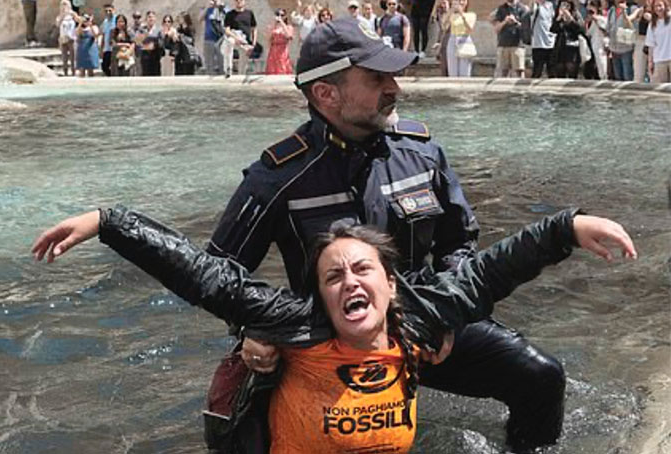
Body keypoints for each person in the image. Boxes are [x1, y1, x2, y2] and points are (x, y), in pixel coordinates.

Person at [206, 17, 567, 453]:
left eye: (393, 75)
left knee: (542, 377)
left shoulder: (421, 153)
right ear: (326, 93)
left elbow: (458, 244)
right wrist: (253, 331)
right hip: (322, 342)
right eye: (377, 78)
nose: (395, 87)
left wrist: (448, 317)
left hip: (424, 325)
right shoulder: (278, 177)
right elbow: (219, 275)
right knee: (248, 431)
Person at [32, 206, 636, 453]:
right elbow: (204, 275)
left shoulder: (419, 317)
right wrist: (107, 223)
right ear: (320, 296)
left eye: (363, 270)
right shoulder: (297, 327)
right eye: (333, 276)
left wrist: (569, 228)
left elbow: (492, 267)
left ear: (391, 285)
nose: (350, 282)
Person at [492, 0, 530, 77]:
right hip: (503, 44)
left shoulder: (523, 9)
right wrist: (505, 21)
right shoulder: (501, 9)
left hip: (518, 45)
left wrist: (515, 22)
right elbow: (496, 29)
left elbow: (527, 28)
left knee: (519, 71)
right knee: (503, 71)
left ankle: (520, 88)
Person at [551, 0, 587, 78]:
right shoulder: (558, 15)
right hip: (561, 46)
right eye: (562, 5)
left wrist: (570, 19)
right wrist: (558, 18)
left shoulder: (576, 14)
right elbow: (553, 29)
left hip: (572, 46)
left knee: (571, 67)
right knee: (560, 68)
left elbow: (581, 29)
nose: (565, 7)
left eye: (567, 5)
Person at [225, 0, 259, 76]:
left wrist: (253, 43)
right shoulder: (230, 14)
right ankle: (229, 68)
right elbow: (227, 31)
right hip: (234, 38)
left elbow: (254, 28)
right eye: (237, 0)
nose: (239, 2)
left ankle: (241, 74)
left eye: (241, 0)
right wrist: (236, 39)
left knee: (244, 61)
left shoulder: (249, 13)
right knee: (229, 42)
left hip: (245, 41)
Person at [443, 0, 477, 76]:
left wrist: (462, 14)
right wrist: (450, 11)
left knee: (464, 71)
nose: (461, 3)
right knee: (452, 70)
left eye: (463, 1)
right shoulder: (452, 16)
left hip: (464, 40)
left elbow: (470, 29)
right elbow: (444, 26)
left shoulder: (471, 15)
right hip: (453, 39)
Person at [607, 0, 638, 80]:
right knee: (618, 77)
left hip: (627, 49)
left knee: (627, 75)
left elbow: (633, 27)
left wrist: (624, 11)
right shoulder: (611, 10)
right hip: (614, 49)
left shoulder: (632, 9)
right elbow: (608, 28)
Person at [530, 0, 558, 78]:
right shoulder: (535, 5)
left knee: (552, 70)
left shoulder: (551, 5)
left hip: (550, 42)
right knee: (537, 71)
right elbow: (531, 12)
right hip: (538, 43)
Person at [647, 0, 671, 82]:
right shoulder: (652, 25)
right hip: (659, 60)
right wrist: (650, 62)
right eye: (655, 6)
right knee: (661, 90)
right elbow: (651, 45)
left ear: (665, 5)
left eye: (660, 5)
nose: (658, 8)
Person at [265, 9, 295, 74]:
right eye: (278, 15)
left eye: (282, 15)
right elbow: (268, 37)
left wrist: (282, 23)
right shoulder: (272, 27)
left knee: (283, 68)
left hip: (283, 50)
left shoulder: (288, 27)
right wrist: (274, 24)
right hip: (274, 49)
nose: (280, 17)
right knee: (272, 69)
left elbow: (289, 35)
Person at [585, 0, 610, 79]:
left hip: (603, 43)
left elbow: (606, 30)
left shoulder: (604, 16)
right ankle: (601, 77)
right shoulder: (589, 19)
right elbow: (588, 33)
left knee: (603, 63)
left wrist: (596, 19)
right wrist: (588, 21)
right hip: (594, 43)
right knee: (598, 63)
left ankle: (605, 78)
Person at [56, 1, 79, 77]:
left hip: (71, 37)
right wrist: (62, 16)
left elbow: (79, 21)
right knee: (64, 57)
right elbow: (57, 24)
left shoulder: (72, 14)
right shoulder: (60, 16)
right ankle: (65, 72)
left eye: (65, 4)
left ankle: (73, 71)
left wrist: (74, 15)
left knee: (73, 56)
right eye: (62, 5)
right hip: (63, 38)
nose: (64, 6)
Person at [204, 0, 227, 75]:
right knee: (209, 63)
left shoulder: (225, 9)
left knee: (222, 62)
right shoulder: (209, 10)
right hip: (208, 39)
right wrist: (207, 7)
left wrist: (221, 7)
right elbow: (199, 18)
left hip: (221, 39)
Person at [100, 4, 117, 77]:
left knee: (114, 66)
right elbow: (103, 35)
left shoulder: (117, 20)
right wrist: (101, 48)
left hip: (114, 48)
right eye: (106, 11)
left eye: (110, 10)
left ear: (114, 10)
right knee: (104, 66)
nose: (108, 12)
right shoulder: (105, 22)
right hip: (107, 48)